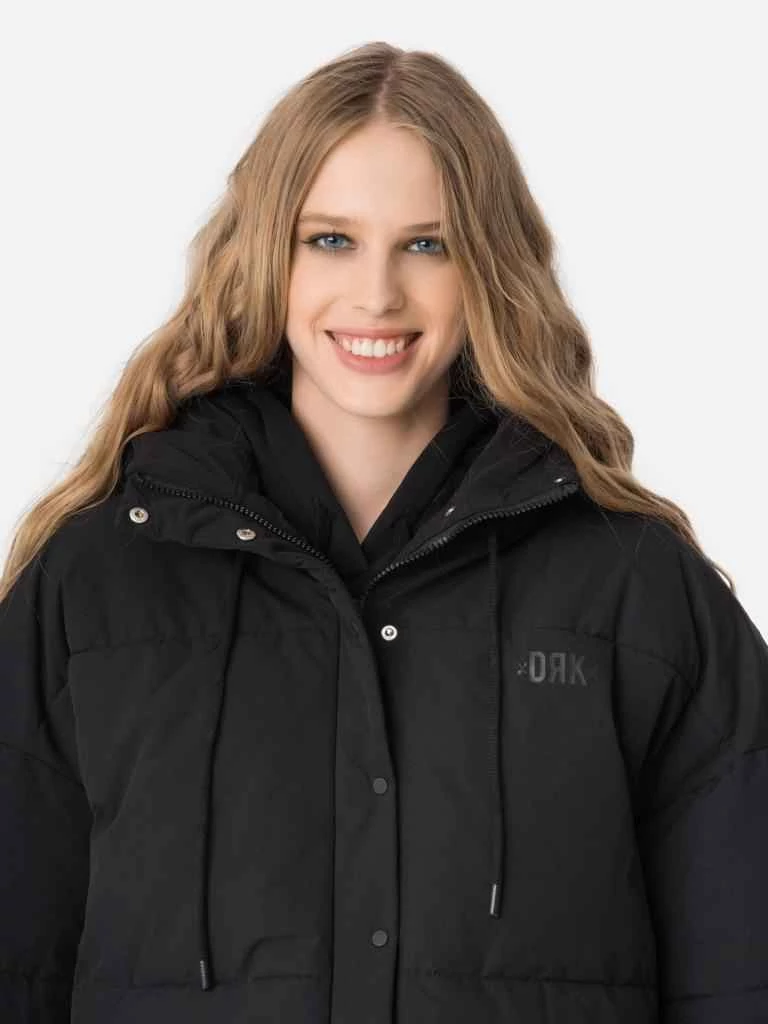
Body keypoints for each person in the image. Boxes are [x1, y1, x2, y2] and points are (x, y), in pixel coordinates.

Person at [0, 40, 766, 1024]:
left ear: (488, 267)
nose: (376, 295)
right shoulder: (100, 579)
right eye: (330, 240)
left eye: (427, 245)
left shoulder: (633, 589)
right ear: (266, 256)